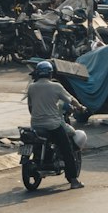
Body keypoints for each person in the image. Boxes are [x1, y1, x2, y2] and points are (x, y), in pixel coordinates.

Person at [26, 59, 86, 188]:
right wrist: (80, 107)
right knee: (67, 150)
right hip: (53, 125)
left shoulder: (31, 87)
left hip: (36, 125)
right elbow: (71, 100)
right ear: (50, 74)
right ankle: (73, 180)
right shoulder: (56, 86)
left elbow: (30, 107)